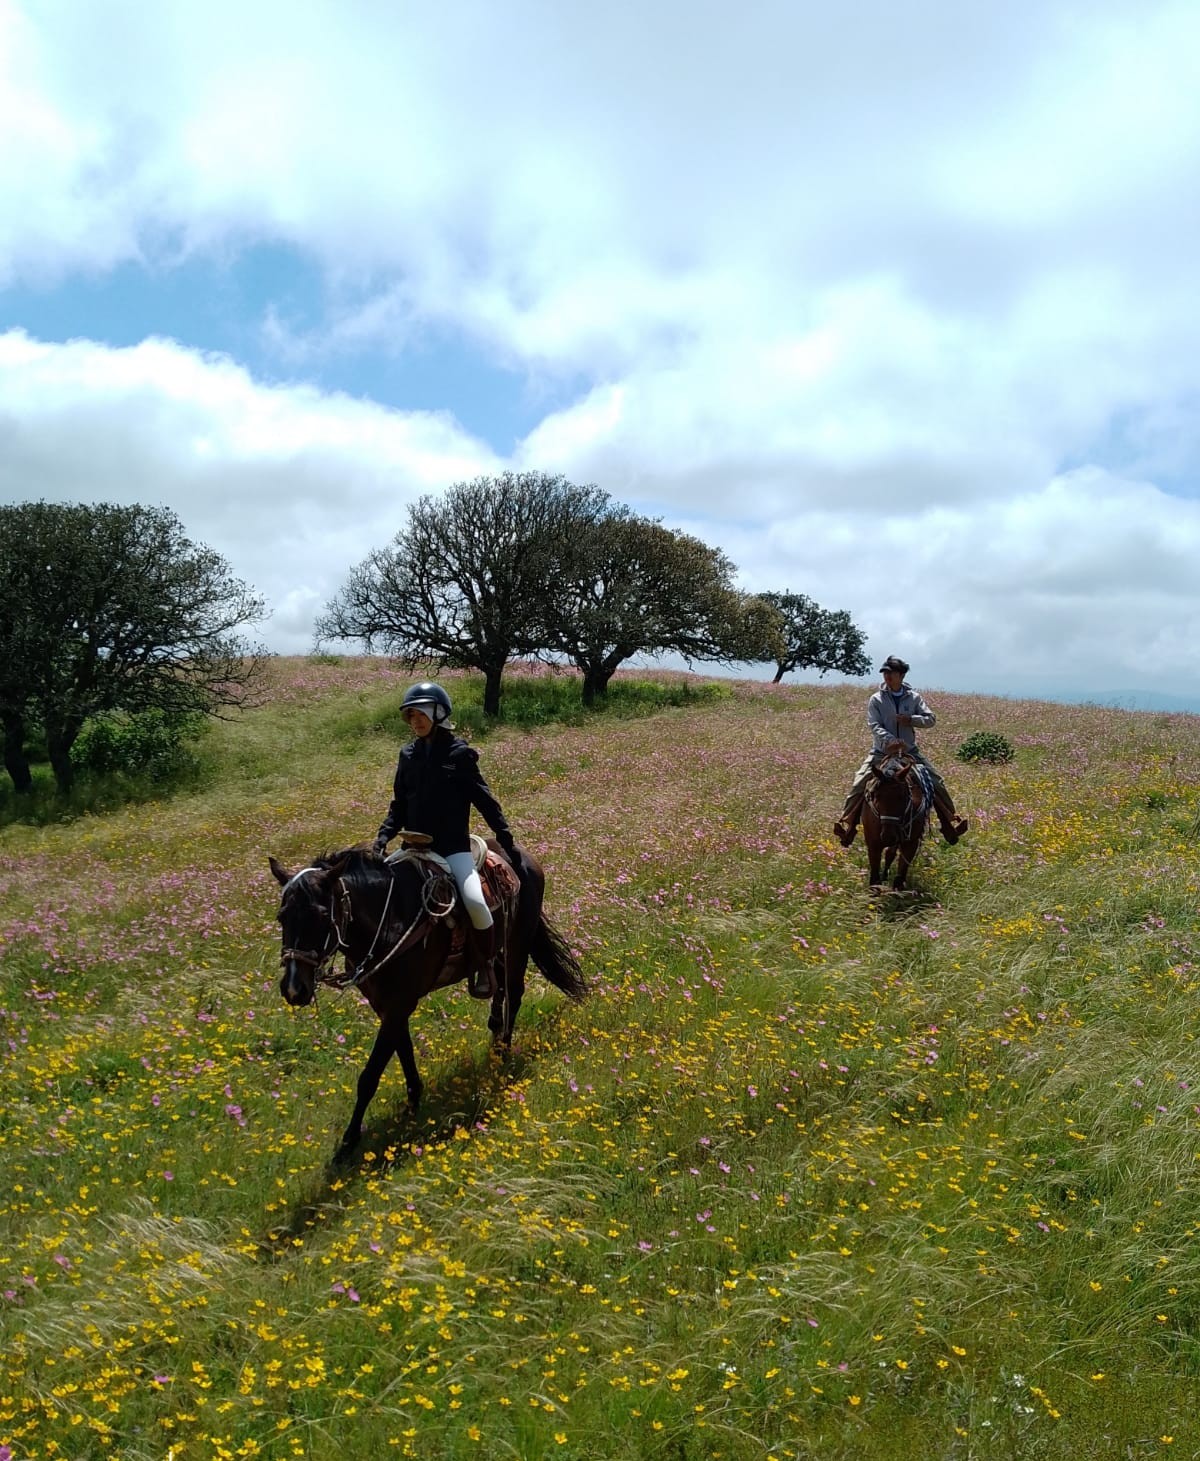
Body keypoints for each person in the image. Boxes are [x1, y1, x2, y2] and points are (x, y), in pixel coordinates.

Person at [373, 681, 518, 999]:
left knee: (476, 903)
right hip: (412, 849)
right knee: (377, 893)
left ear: (439, 714)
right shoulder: (407, 755)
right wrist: (382, 839)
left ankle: (485, 964)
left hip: (453, 850)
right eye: (411, 716)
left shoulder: (459, 754)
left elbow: (484, 800)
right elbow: (399, 805)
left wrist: (505, 836)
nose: (416, 721)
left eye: (421, 714)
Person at [832, 655, 969, 848]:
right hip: (881, 752)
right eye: (885, 673)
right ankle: (847, 825)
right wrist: (890, 740)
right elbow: (874, 724)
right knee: (860, 781)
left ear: (902, 675)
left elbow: (930, 719)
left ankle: (950, 822)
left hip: (909, 752)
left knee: (935, 780)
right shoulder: (876, 699)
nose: (887, 676)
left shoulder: (914, 698)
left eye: (891, 673)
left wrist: (911, 719)